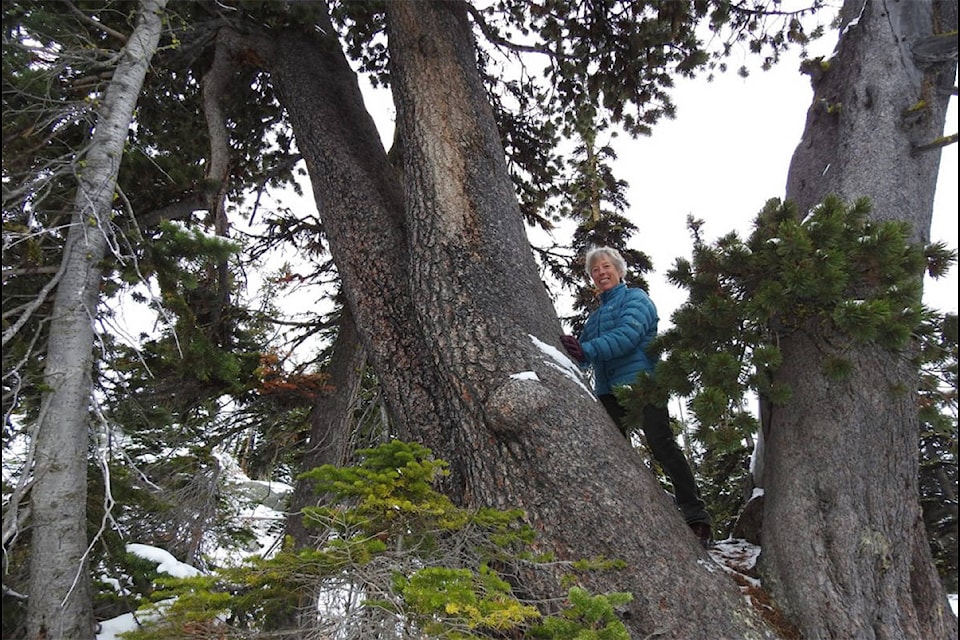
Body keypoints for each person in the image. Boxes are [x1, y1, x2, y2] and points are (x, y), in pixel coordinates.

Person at [560, 246, 712, 548]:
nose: (601, 273)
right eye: (595, 271)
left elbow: (627, 337)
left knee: (662, 445)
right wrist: (572, 349)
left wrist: (586, 349)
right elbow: (584, 354)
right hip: (608, 392)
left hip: (643, 384)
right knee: (610, 450)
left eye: (606, 267)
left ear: (619, 270)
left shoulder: (637, 300)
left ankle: (697, 518)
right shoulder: (595, 318)